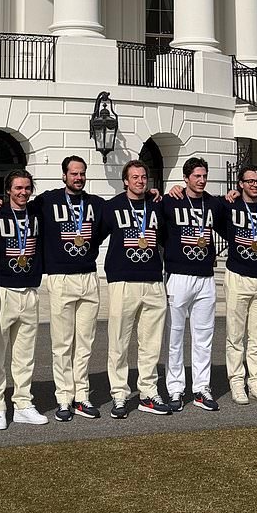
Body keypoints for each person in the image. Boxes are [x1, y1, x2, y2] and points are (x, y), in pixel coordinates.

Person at [35, 156, 105, 421]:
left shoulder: (96, 204)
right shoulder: (47, 201)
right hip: (60, 277)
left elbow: (127, 207)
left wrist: (153, 192)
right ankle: (64, 397)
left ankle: (81, 396)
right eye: (74, 173)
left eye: (82, 174)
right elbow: (17, 206)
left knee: (85, 343)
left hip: (88, 277)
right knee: (62, 343)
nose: (78, 178)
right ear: (64, 175)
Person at [98, 160, 171, 417]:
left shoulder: (156, 206)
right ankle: (119, 394)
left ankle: (149, 392)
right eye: (135, 177)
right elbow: (95, 236)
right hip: (123, 281)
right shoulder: (112, 207)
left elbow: (166, 236)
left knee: (151, 343)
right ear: (125, 181)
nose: (140, 181)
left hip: (152, 280)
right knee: (118, 341)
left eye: (143, 177)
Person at [161, 157, 227, 412]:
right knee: (174, 336)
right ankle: (175, 389)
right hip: (178, 276)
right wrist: (159, 191)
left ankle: (201, 388)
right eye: (197, 176)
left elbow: (228, 223)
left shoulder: (213, 204)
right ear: (186, 178)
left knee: (203, 336)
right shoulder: (171, 201)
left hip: (205, 277)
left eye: (204, 176)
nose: (201, 181)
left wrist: (233, 194)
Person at [0, 170, 50, 425]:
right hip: (3, 290)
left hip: (30, 290)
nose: (22, 193)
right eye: (18, 188)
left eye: (27, 188)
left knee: (25, 354)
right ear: (8, 191)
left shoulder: (37, 211)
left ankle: (23, 403)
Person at [218, 164, 257, 404]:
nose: (254, 185)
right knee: (235, 335)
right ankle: (236, 381)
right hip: (238, 276)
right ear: (240, 184)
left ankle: (256, 381)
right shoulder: (229, 205)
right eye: (249, 181)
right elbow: (205, 204)